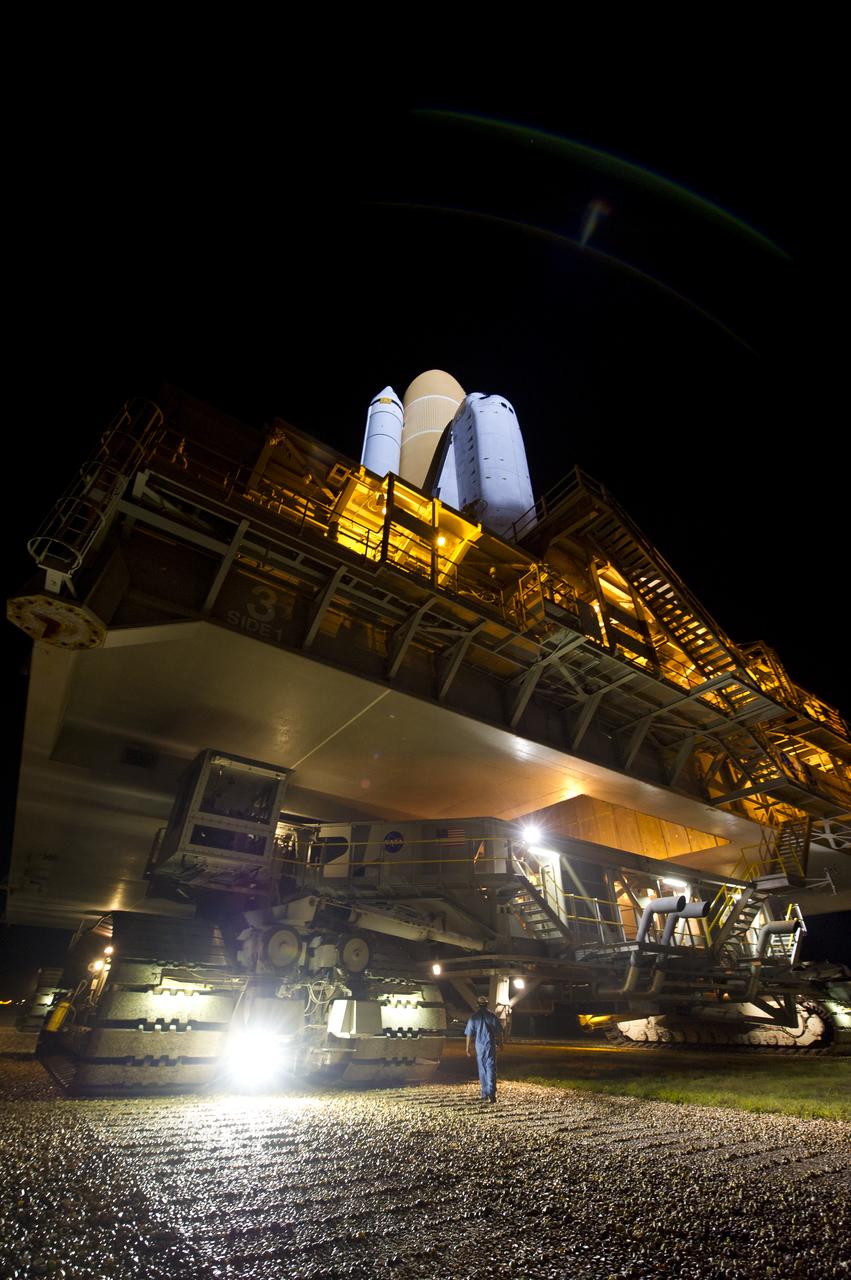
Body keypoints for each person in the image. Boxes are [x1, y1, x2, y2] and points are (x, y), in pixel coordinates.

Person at [465, 995, 503, 1103]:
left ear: (477, 1005)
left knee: (482, 1069)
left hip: (479, 1046)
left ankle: (484, 1094)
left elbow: (468, 1034)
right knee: (491, 1068)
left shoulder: (474, 1017)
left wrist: (467, 1048)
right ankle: (492, 1093)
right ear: (487, 1004)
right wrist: (501, 1044)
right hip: (490, 1045)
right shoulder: (492, 1016)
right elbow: (499, 1031)